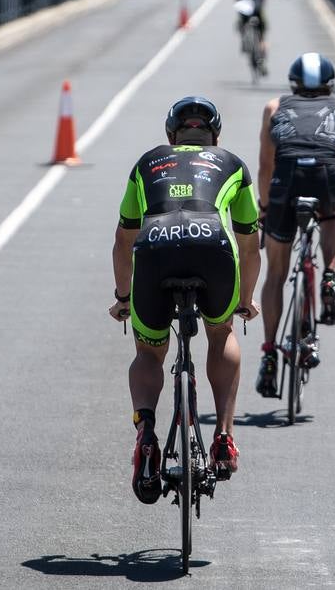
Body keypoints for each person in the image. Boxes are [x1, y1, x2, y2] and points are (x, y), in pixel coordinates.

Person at [110, 97, 262, 503]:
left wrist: (124, 298)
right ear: (216, 136)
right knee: (221, 332)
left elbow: (123, 241)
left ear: (170, 135)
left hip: (155, 245)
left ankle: (145, 430)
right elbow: (250, 245)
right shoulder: (232, 163)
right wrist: (244, 300)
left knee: (148, 352)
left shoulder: (147, 163)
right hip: (212, 246)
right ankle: (224, 437)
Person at [254, 54, 335, 397]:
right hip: (326, 178)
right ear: (329, 84)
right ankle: (329, 276)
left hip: (285, 182)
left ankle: (270, 353)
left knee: (276, 274)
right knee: (332, 215)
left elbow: (264, 166)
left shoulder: (274, 107)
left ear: (293, 83)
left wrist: (264, 209)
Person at [234, 0, 269, 74]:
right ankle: (262, 52)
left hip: (245, 16)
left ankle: (243, 42)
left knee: (240, 24)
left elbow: (237, 2)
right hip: (258, 15)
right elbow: (264, 0)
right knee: (262, 37)